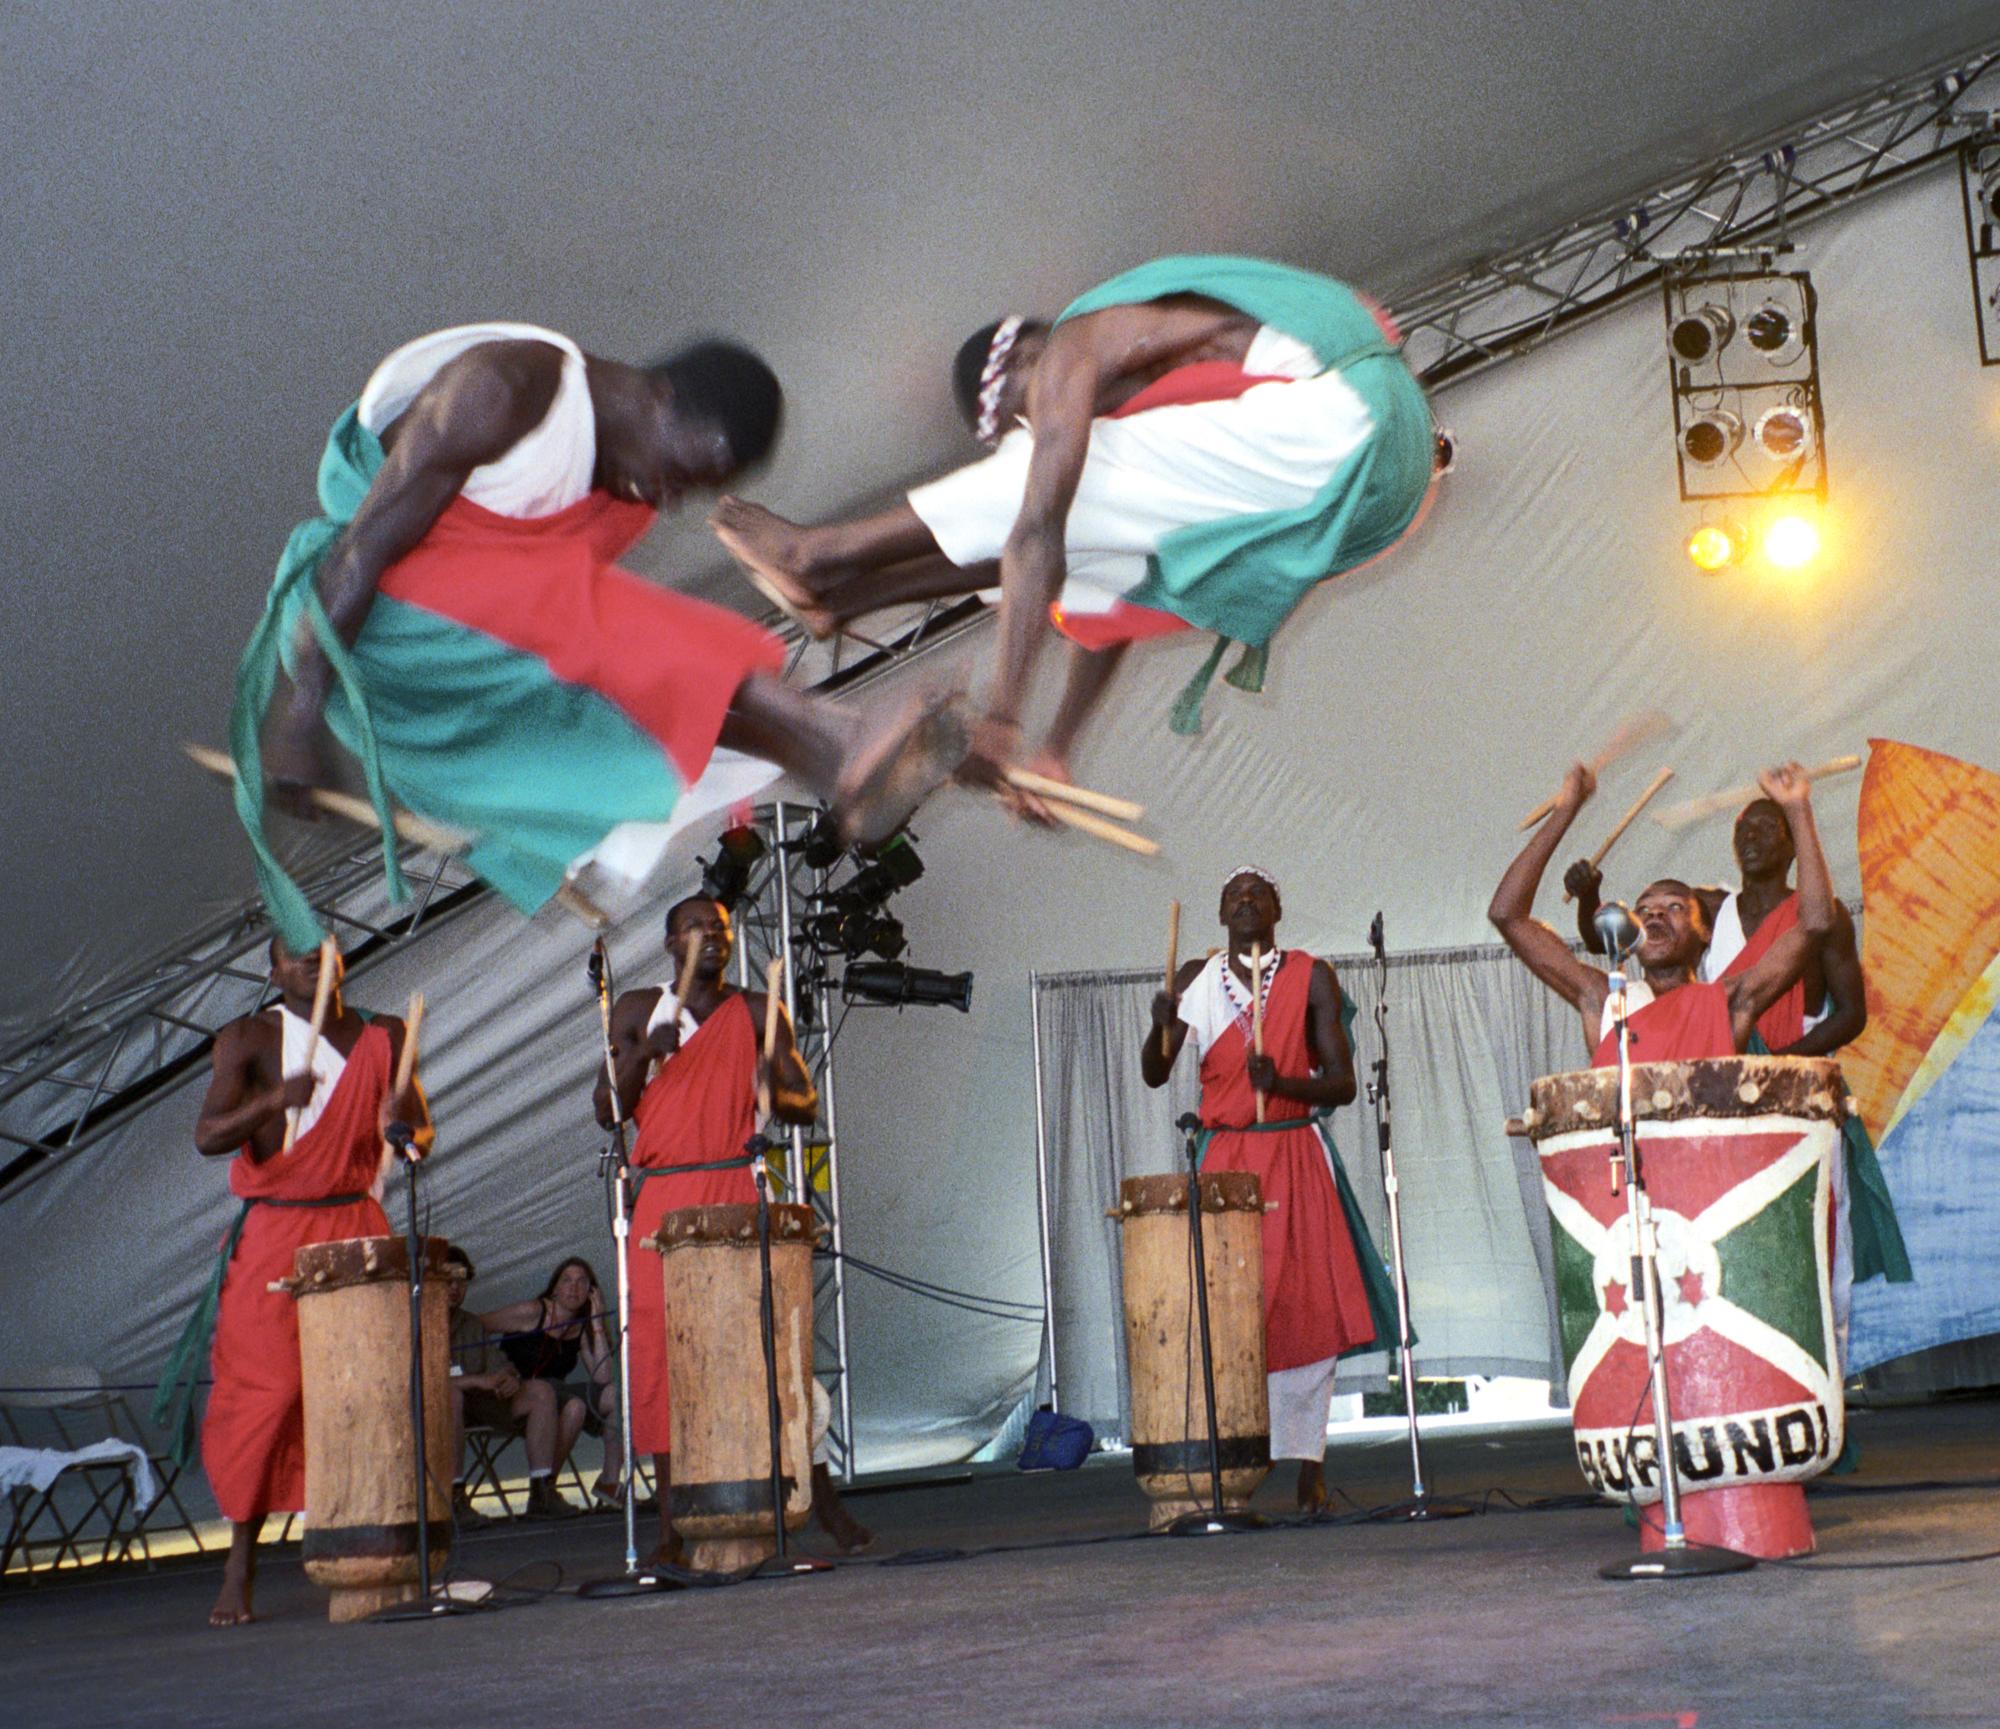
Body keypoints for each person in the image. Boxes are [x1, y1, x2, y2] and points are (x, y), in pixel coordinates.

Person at [230, 322, 967, 963]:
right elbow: (361, 549)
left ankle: (826, 762)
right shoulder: (501, 389)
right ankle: (834, 735)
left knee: (643, 689)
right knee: (618, 620)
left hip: (469, 650)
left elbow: (604, 657)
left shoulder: (626, 485)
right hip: (366, 623)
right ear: (661, 398)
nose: (672, 497)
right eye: (683, 473)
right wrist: (296, 718)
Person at [710, 254, 1441, 799]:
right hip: (1371, 490)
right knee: (1094, 546)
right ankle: (848, 600)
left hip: (1351, 417)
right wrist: (1056, 747)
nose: (1035, 427)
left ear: (1027, 359)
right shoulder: (1174, 420)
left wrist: (1004, 712)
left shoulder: (1071, 345)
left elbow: (1038, 527)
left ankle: (819, 554)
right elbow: (1103, 605)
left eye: (1022, 418)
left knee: (1054, 493)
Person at [159, 938, 428, 1627]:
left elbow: (418, 1125)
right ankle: (239, 1563)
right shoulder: (247, 1037)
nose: (312, 962)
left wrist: (407, 1134)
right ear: (271, 969)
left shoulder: (385, 1033)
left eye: (322, 950)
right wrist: (276, 1098)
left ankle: (370, 1543)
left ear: (342, 958)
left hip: (355, 1222)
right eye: (294, 955)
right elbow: (208, 1135)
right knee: (269, 1392)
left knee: (364, 1391)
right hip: (275, 1233)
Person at [1140, 868, 1391, 1511]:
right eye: (1233, 895)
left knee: (1306, 1307)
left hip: (1292, 1149)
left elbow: (1338, 1085)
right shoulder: (1199, 979)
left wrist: (1282, 1081)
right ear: (1220, 913)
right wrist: (1159, 1021)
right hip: (1225, 1160)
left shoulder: (1312, 976)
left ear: (1279, 906)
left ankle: (1308, 1463)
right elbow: (1153, 1071)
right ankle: (1234, 1457)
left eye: (1258, 893)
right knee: (1231, 1309)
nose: (1246, 901)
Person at [595, 895, 817, 1562]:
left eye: (720, 929)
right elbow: (607, 1110)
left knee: (740, 1350)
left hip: (730, 1186)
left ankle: (749, 1504)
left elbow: (801, 1102)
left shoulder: (755, 1009)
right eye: (696, 927)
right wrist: (644, 1057)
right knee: (663, 1360)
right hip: (661, 1200)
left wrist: (778, 1072)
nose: (712, 939)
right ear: (669, 940)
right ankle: (669, 1524)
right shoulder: (638, 1009)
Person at [1490, 761, 1832, 1063]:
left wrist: (1798, 809)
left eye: (1674, 907)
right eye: (1644, 909)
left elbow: (1815, 922)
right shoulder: (1604, 998)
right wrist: (1565, 811)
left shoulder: (1730, 1001)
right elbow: (1507, 915)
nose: (1655, 914)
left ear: (1706, 933)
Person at [1565, 795, 1866, 1056]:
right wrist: (1589, 895)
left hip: (1800, 1078)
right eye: (1742, 828)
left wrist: (1780, 1062)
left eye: (1767, 827)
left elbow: (1852, 1014)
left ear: (1794, 844)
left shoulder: (1826, 916)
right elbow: (1607, 939)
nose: (1751, 836)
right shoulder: (1706, 908)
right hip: (1718, 1066)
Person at [479, 1256, 619, 1516]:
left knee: (613, 1396)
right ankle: (544, 1491)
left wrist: (597, 1324)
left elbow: (602, 1378)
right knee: (574, 1406)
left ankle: (609, 1482)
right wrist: (493, 1371)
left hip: (554, 1395)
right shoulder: (533, 1312)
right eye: (566, 1280)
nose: (573, 1288)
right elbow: (476, 1328)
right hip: (515, 1394)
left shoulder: (582, 1326)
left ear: (591, 1291)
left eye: (581, 1282)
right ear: (554, 1287)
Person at [441, 1246, 521, 1527]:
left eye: (461, 1281)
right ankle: (453, 1496)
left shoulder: (471, 1323)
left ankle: (543, 1489)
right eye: (447, 1280)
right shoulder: (412, 1321)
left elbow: (499, 1364)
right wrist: (476, 1381)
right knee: (450, 1395)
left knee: (542, 1394)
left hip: (475, 1409)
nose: (454, 1288)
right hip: (426, 1417)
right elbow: (419, 1382)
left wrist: (509, 1376)